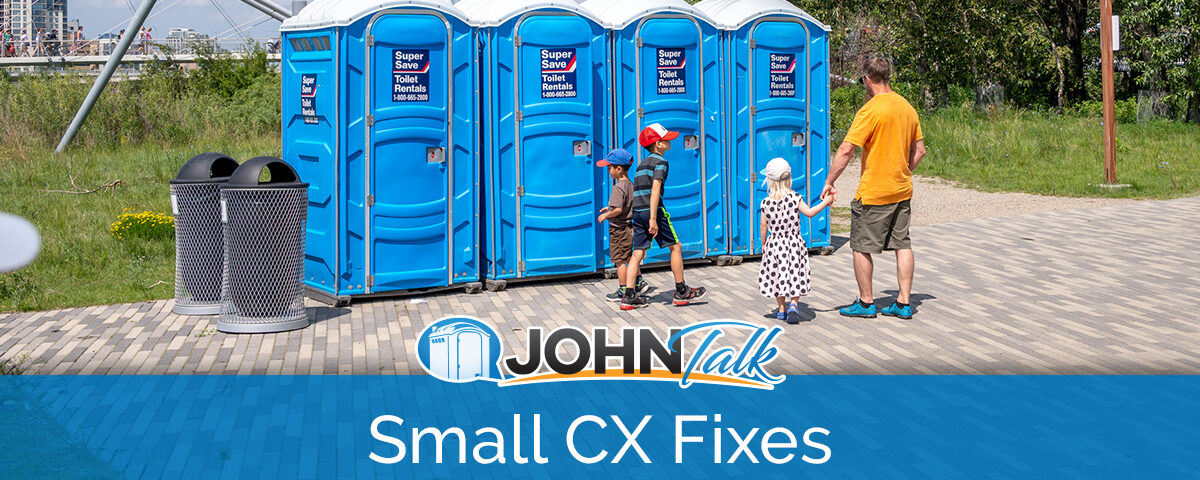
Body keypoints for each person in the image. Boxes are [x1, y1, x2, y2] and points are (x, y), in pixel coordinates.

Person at [823, 57, 927, 320]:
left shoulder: (870, 110)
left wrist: (830, 181)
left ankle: (866, 302)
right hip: (901, 190)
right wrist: (902, 171)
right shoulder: (907, 107)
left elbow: (847, 150)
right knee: (902, 244)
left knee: (860, 246)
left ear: (868, 80)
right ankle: (903, 303)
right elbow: (920, 151)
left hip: (874, 193)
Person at [620, 123, 707, 310]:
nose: (670, 141)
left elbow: (639, 192)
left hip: (638, 212)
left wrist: (642, 215)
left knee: (638, 253)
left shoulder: (641, 165)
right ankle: (682, 290)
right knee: (676, 247)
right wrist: (653, 217)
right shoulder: (661, 162)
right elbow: (655, 189)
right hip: (654, 211)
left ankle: (629, 296)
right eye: (666, 139)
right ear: (658, 144)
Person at [758, 158, 835, 324]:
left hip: (775, 244)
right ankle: (793, 304)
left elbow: (763, 225)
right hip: (794, 244)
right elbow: (809, 212)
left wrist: (764, 244)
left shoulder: (766, 202)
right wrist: (826, 202)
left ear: (769, 181)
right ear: (789, 178)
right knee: (795, 274)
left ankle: (781, 310)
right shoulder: (795, 198)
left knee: (778, 276)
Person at [595, 148, 649, 302]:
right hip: (629, 227)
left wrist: (606, 214)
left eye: (609, 167)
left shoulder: (617, 188)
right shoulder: (630, 185)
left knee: (619, 261)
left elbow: (618, 209)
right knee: (629, 257)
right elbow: (626, 206)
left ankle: (623, 289)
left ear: (618, 169)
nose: (608, 170)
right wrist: (610, 208)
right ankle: (638, 282)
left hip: (619, 230)